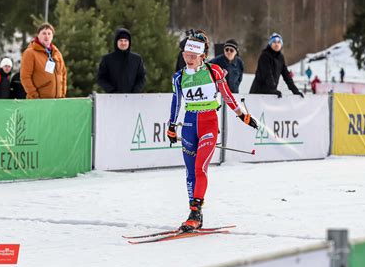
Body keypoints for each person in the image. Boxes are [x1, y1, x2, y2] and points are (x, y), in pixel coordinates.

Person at [167, 30, 258, 232]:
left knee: (200, 168)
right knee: (190, 172)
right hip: (189, 124)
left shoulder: (214, 71)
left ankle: (195, 212)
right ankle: (195, 214)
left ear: (202, 56)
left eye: (192, 56)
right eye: (185, 55)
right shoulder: (179, 77)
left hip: (208, 123)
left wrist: (242, 115)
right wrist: (171, 126)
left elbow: (227, 95)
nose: (188, 60)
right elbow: (176, 103)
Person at [21, 23, 67, 99]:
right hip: (39, 101)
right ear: (38, 35)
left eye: (49, 34)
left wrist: (62, 94)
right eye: (44, 33)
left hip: (57, 101)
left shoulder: (57, 53)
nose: (47, 36)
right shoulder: (30, 53)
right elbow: (25, 77)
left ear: (52, 37)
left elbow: (64, 74)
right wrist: (34, 95)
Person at [250, 32, 303, 98]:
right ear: (270, 43)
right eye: (274, 42)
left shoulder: (280, 57)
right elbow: (267, 74)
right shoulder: (265, 56)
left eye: (279, 42)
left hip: (270, 93)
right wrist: (272, 89)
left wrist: (295, 90)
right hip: (258, 93)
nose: (276, 44)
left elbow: (286, 75)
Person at [97, 28, 146, 93]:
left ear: (129, 42)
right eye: (121, 40)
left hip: (133, 98)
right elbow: (101, 78)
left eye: (126, 40)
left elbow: (141, 77)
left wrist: (135, 91)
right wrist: (112, 91)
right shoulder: (107, 59)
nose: (123, 43)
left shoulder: (137, 59)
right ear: (116, 42)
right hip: (112, 98)